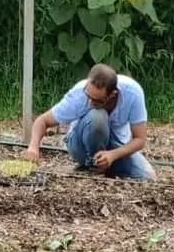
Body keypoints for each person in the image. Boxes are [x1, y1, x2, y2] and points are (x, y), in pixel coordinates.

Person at [23, 63, 155, 182]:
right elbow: (42, 121)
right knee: (97, 116)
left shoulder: (133, 93)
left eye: (97, 100)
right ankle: (93, 167)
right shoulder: (79, 94)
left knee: (146, 176)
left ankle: (105, 165)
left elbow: (140, 139)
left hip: (114, 145)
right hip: (80, 144)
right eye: (89, 96)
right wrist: (33, 147)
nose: (91, 102)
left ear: (112, 95)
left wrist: (113, 155)